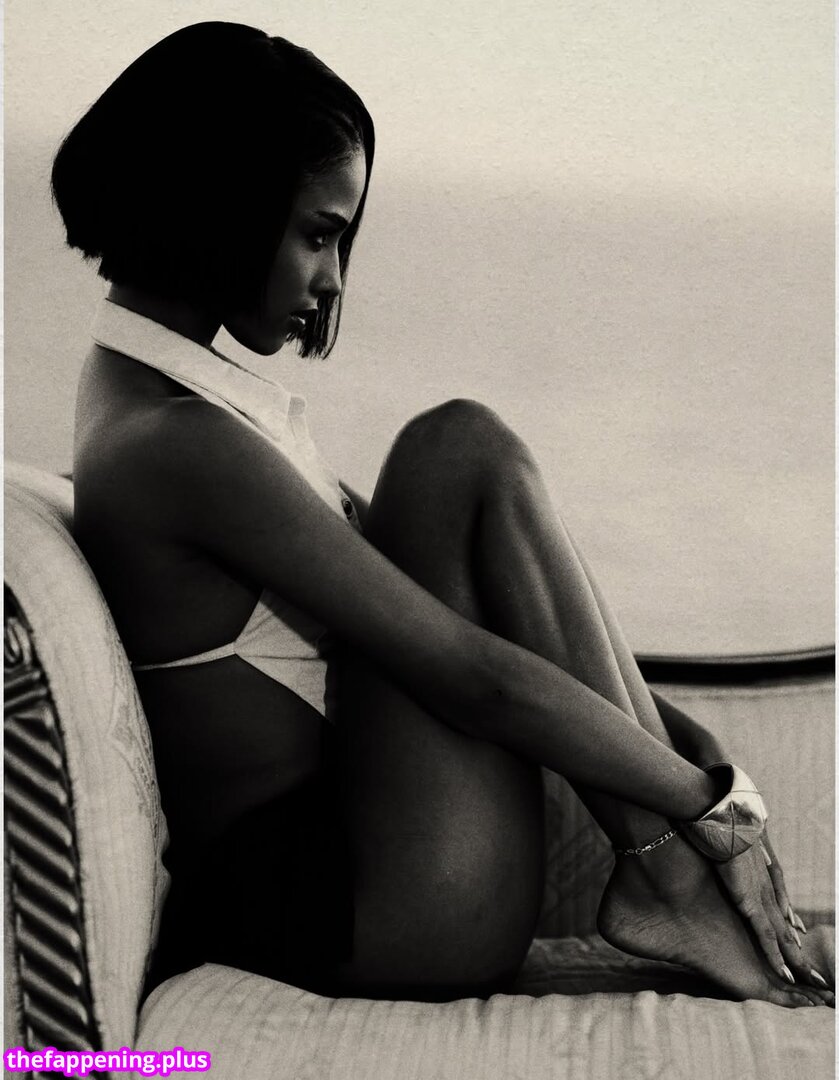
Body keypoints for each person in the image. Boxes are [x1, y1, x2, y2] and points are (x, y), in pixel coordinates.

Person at [54, 21, 831, 1006]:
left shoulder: (172, 398)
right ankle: (672, 885)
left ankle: (676, 885)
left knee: (465, 454)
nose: (331, 281)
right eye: (317, 234)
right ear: (221, 208)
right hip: (365, 912)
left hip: (377, 863)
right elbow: (471, 675)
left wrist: (695, 756)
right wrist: (711, 812)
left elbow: (498, 618)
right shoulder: (175, 442)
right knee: (454, 447)